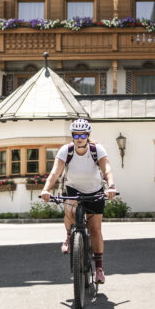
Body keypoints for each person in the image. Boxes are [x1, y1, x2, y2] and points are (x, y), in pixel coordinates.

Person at [40, 117, 117, 284]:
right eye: (76, 135)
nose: (79, 138)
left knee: (95, 229)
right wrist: (46, 189)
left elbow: (107, 170)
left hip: (94, 191)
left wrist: (111, 186)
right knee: (70, 209)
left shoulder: (97, 149)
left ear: (88, 136)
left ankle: (99, 268)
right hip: (73, 188)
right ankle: (69, 236)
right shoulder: (66, 150)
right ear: (72, 136)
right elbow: (55, 172)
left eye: (83, 135)